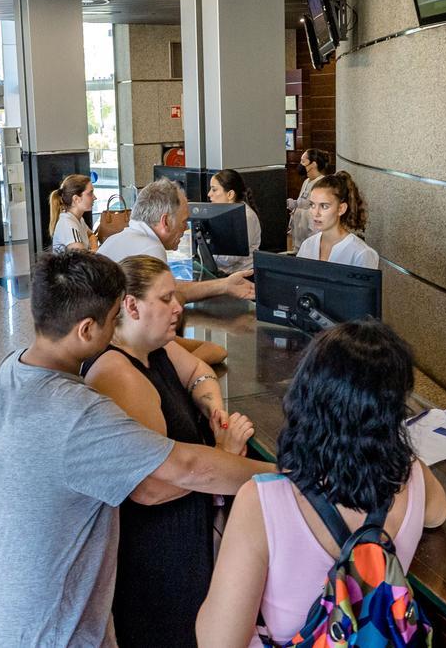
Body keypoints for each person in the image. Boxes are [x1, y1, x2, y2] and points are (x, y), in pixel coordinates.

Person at [0, 250, 271, 646]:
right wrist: (287, 476)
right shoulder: (76, 412)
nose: (116, 332)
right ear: (86, 329)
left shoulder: (13, 368)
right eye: (113, 322)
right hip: (49, 628)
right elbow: (186, 467)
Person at [196, 320, 446, 646]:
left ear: (306, 398)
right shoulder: (413, 476)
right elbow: (438, 514)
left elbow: (217, 641)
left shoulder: (262, 501)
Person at [83, 255, 271, 647]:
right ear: (131, 307)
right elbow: (151, 487)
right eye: (167, 298)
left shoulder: (155, 350)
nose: (178, 307)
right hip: (156, 557)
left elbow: (201, 369)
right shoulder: (117, 373)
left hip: (182, 540)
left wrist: (212, 408)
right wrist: (225, 451)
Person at [99, 178, 254, 303]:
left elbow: (171, 288)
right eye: (183, 221)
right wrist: (224, 286)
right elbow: (170, 296)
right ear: (165, 222)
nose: (186, 228)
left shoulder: (115, 239)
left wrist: (225, 285)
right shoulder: (150, 248)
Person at [295, 171, 379, 269]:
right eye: (312, 205)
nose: (315, 213)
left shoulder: (361, 254)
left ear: (341, 209)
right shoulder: (307, 245)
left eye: (324, 206)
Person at [206, 169, 261, 274]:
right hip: (224, 275)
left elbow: (230, 259)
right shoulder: (221, 214)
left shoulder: (246, 217)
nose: (209, 194)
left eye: (214, 190)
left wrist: (206, 247)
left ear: (230, 194)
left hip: (244, 276)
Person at [288, 149, 332, 250]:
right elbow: (303, 203)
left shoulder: (322, 184)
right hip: (299, 236)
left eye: (303, 161)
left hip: (312, 235)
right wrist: (294, 205)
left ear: (313, 164)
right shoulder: (306, 181)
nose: (300, 164)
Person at [48, 173, 97, 252]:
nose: (95, 197)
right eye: (90, 193)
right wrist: (96, 250)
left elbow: (91, 235)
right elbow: (82, 259)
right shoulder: (69, 225)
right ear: (76, 199)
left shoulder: (78, 219)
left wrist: (94, 249)